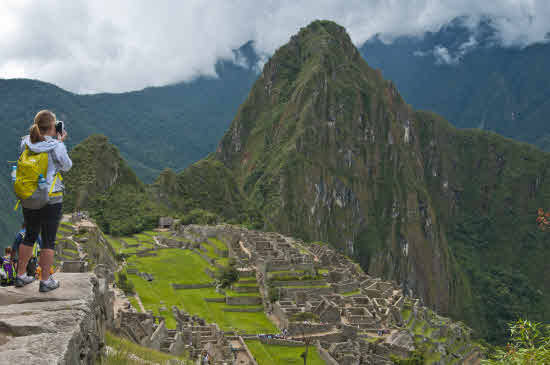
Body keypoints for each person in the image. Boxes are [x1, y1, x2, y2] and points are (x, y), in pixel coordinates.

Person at [15, 110, 72, 292]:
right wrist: (60, 143)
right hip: (51, 198)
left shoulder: (26, 142)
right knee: (48, 240)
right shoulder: (56, 146)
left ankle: (21, 275)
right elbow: (67, 166)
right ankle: (45, 280)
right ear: (53, 127)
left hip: (29, 194)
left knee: (30, 235)